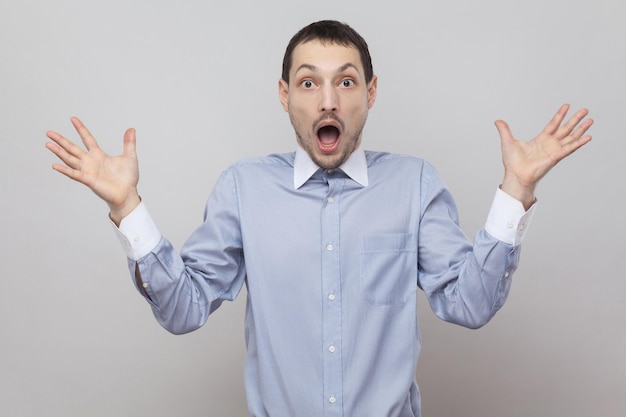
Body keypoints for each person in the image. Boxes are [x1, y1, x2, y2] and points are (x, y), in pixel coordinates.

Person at [45, 20, 592, 417]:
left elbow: (469, 302)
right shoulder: (244, 188)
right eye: (308, 83)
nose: (327, 101)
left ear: (370, 92)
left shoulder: (414, 183)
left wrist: (516, 191)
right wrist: (126, 207)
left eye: (346, 82)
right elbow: (184, 309)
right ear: (286, 95)